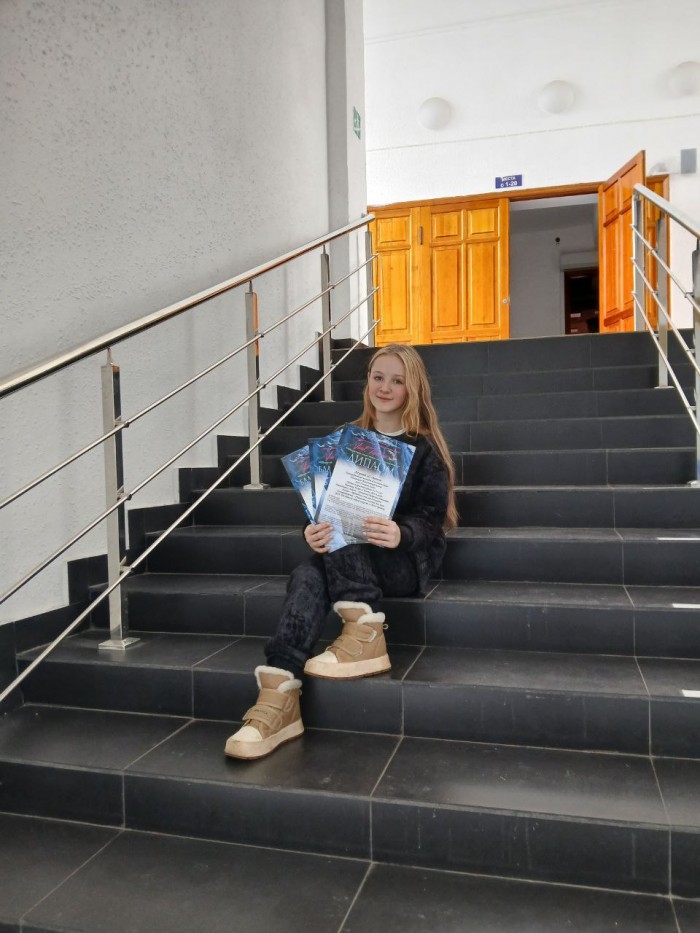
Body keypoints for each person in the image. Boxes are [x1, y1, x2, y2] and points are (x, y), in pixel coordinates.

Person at [224, 343, 458, 760]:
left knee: (342, 532)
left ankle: (365, 631)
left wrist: (401, 532)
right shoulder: (345, 440)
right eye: (378, 377)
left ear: (413, 388)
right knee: (308, 572)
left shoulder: (425, 448)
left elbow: (432, 518)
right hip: (350, 554)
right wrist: (310, 532)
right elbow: (318, 506)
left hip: (402, 561)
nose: (384, 387)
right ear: (367, 382)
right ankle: (278, 697)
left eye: (397, 380)